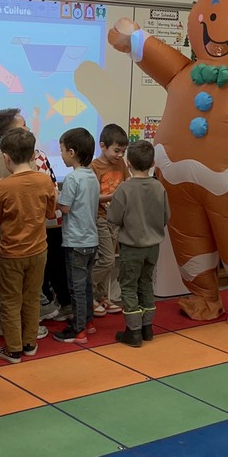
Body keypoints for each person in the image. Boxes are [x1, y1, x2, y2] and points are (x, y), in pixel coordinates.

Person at [0, 108, 63, 335]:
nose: (28, 129)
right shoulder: (32, 163)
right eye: (23, 126)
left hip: (10, 239)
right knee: (26, 288)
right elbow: (50, 204)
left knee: (10, 286)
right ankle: (26, 331)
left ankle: (10, 328)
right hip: (29, 240)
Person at [107, 140, 170, 347]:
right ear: (153, 162)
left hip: (131, 247)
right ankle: (147, 328)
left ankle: (133, 331)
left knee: (128, 286)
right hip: (153, 247)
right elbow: (166, 216)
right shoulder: (159, 187)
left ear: (127, 163)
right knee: (146, 283)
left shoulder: (124, 189)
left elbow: (114, 218)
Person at [53, 127, 100, 345]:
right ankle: (88, 322)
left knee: (76, 287)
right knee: (86, 284)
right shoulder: (92, 176)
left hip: (76, 241)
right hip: (91, 240)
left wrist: (54, 194)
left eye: (61, 150)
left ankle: (78, 328)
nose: (61, 155)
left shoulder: (73, 179)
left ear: (72, 152)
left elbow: (65, 208)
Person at [90, 123, 129, 317]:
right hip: (101, 218)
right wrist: (114, 196)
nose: (120, 155)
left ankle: (101, 296)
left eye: (123, 151)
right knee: (106, 260)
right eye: (116, 150)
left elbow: (127, 185)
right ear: (103, 146)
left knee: (111, 260)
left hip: (116, 219)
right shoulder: (93, 167)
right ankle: (87, 292)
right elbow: (92, 197)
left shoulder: (121, 164)